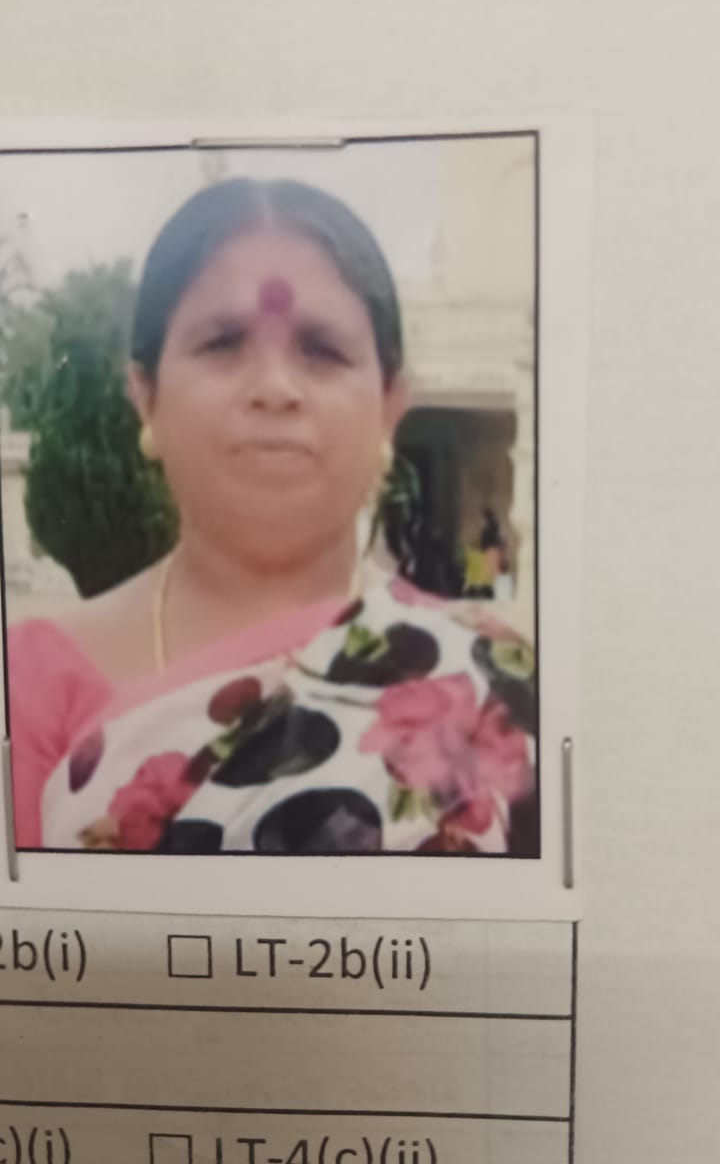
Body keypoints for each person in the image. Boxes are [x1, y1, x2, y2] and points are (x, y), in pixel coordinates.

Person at [9, 178, 537, 856]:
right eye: (223, 343)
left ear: (389, 407)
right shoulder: (29, 687)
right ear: (146, 397)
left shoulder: (496, 677)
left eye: (322, 350)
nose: (275, 389)